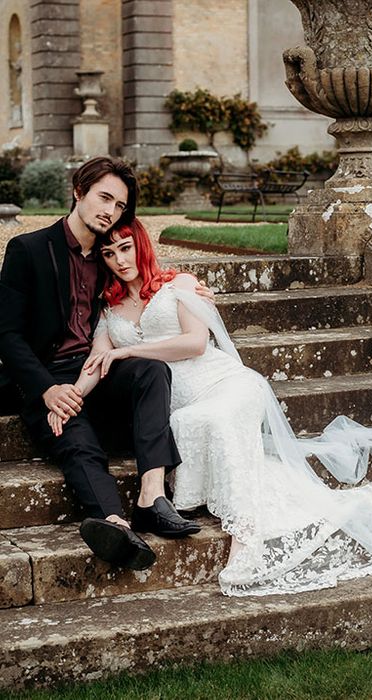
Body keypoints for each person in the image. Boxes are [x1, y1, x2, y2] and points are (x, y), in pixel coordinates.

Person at [73, 218, 372, 596]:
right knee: (187, 422)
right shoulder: (110, 311)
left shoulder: (180, 284)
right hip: (176, 402)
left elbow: (193, 343)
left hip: (224, 383)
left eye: (125, 248)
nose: (120, 260)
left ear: (141, 245)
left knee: (213, 418)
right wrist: (71, 396)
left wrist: (129, 351)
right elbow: (97, 360)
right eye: (108, 253)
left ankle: (246, 534)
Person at [0, 156, 203, 571]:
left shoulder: (111, 255)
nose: (110, 211)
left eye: (119, 205)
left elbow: (148, 283)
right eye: (104, 197)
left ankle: (151, 496)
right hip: (50, 377)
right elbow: (7, 335)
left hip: (100, 367)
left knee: (151, 370)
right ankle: (113, 522)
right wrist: (47, 389)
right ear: (79, 191)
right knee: (77, 442)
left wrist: (190, 288)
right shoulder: (29, 250)